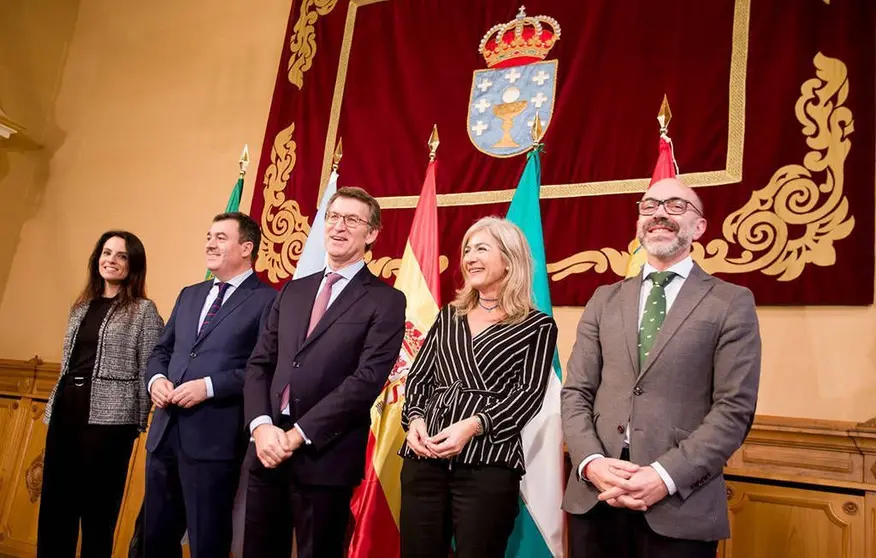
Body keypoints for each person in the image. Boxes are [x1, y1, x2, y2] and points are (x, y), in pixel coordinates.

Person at [561, 177, 761, 558]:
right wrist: (589, 462)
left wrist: (665, 476)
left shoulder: (730, 302)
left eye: (676, 206)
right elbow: (576, 392)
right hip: (597, 495)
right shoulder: (604, 299)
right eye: (650, 206)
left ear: (699, 226)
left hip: (679, 503)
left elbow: (734, 409)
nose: (660, 214)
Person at [242, 186, 406, 558]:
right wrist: (262, 427)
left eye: (352, 220)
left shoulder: (386, 300)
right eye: (333, 217)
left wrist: (299, 435)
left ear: (372, 234)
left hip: (324, 456)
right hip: (267, 448)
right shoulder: (293, 291)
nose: (338, 227)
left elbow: (366, 381)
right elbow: (259, 364)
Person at [399, 216, 558, 558]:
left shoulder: (538, 326)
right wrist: (414, 421)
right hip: (424, 459)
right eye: (467, 250)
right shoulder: (448, 316)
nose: (469, 257)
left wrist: (473, 426)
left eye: (481, 249)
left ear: (509, 259)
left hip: (488, 462)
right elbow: (420, 377)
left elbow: (528, 395)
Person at [143, 212, 276, 558]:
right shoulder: (190, 294)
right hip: (164, 434)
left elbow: (263, 368)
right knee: (154, 538)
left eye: (220, 237)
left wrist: (210, 386)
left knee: (207, 541)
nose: (209, 243)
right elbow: (162, 349)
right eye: (208, 236)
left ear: (246, 248)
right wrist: (156, 379)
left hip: (214, 440)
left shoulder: (269, 300)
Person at [38, 230, 164, 558]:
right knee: (55, 507)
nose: (111, 260)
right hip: (66, 413)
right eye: (106, 253)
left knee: (97, 512)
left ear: (132, 264)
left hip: (110, 424)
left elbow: (148, 370)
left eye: (121, 256)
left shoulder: (143, 311)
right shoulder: (80, 307)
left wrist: (137, 421)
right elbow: (68, 363)